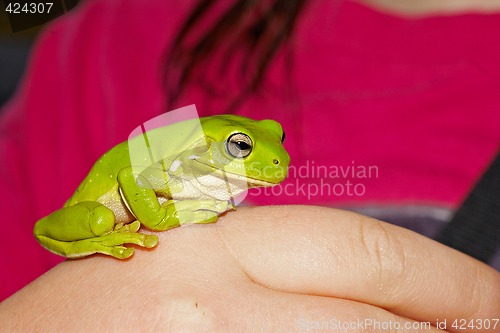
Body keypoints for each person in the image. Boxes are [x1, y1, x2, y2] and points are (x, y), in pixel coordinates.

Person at [0, 0, 498, 330]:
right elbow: (132, 176)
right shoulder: (123, 34)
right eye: (242, 146)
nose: (278, 156)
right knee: (102, 219)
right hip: (96, 214)